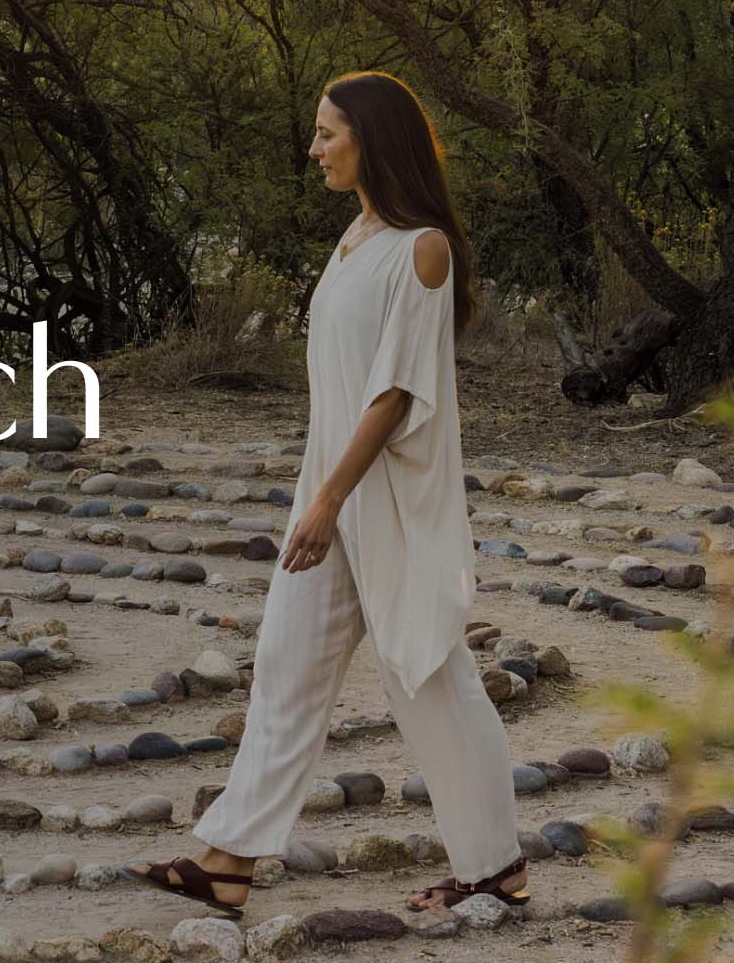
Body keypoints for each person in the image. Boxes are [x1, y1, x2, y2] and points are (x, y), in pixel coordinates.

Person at [127, 70, 527, 917]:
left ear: (372, 138)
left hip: (387, 500)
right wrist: (321, 493)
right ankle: (228, 861)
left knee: (429, 676)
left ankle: (495, 867)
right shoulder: (355, 237)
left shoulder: (422, 249)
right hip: (333, 488)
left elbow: (397, 394)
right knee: (286, 666)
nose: (313, 149)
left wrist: (329, 501)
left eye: (327, 133)